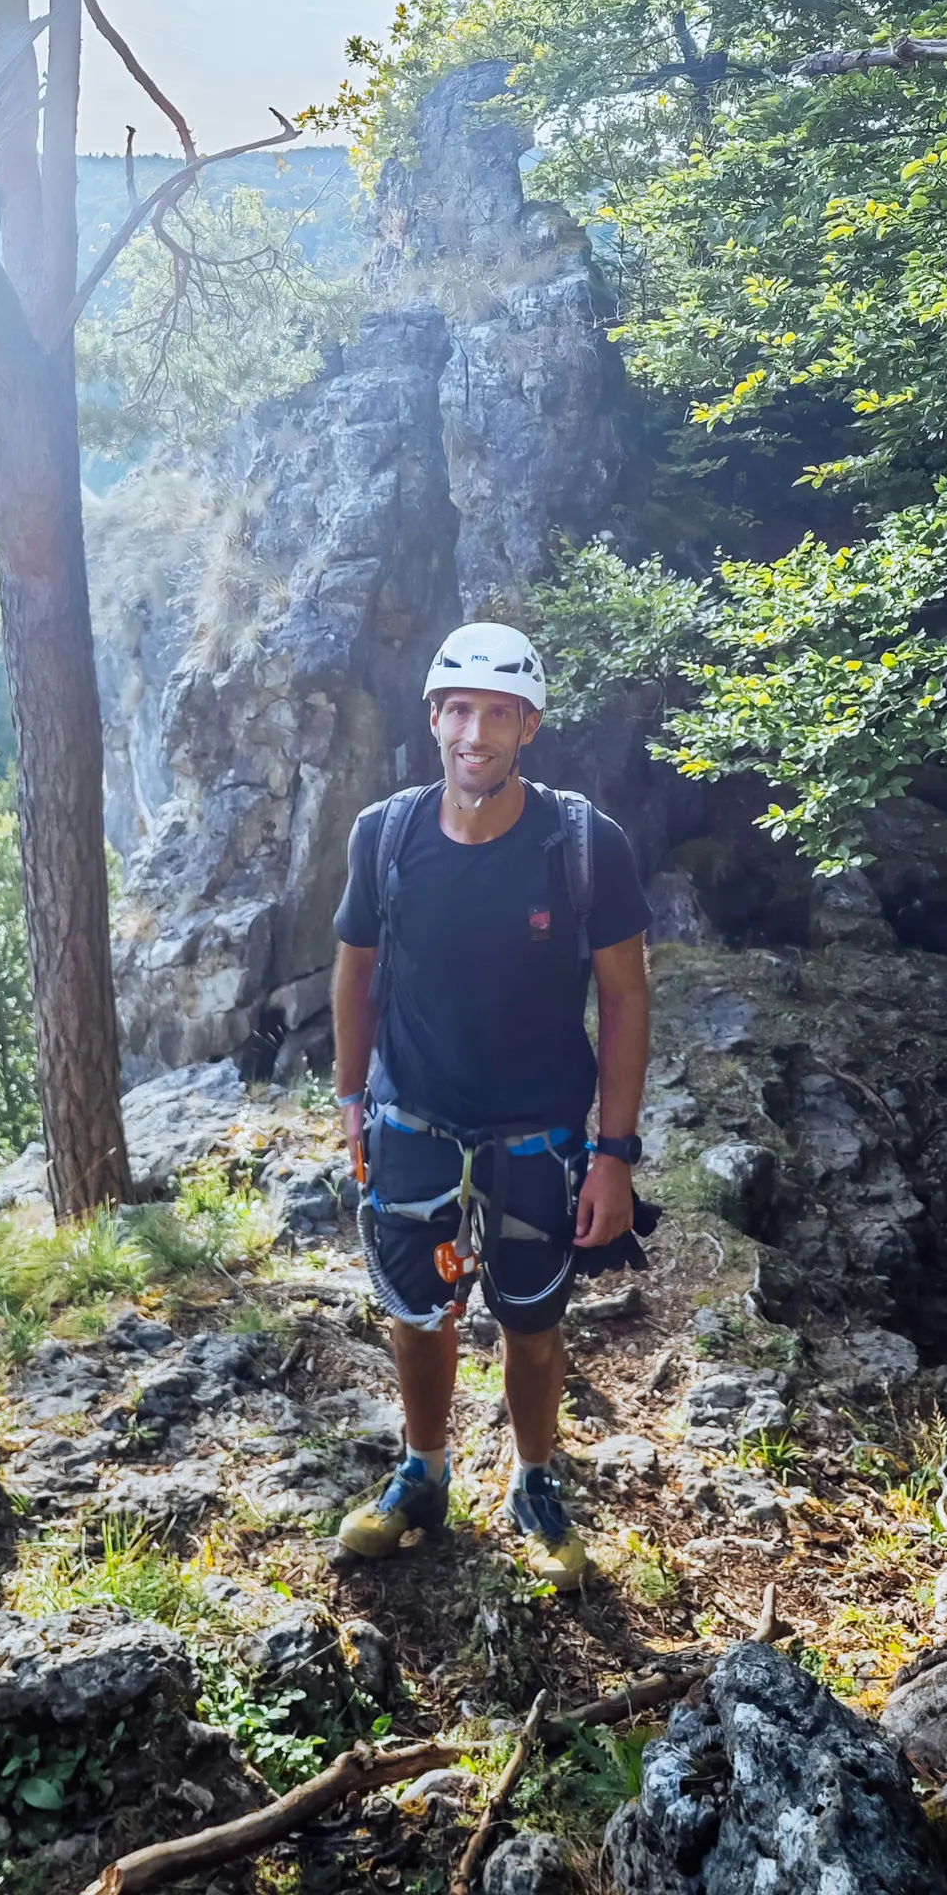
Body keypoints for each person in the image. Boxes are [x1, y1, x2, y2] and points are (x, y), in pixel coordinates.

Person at [329, 622, 651, 1589]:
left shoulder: (584, 845)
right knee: (418, 1313)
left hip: (540, 1133)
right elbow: (354, 974)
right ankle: (423, 1475)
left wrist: (615, 1153)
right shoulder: (385, 835)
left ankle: (536, 1480)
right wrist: (351, 1099)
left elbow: (626, 995)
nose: (477, 733)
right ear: (434, 719)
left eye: (499, 714)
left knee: (533, 1322)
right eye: (460, 710)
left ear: (528, 727)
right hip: (413, 1120)